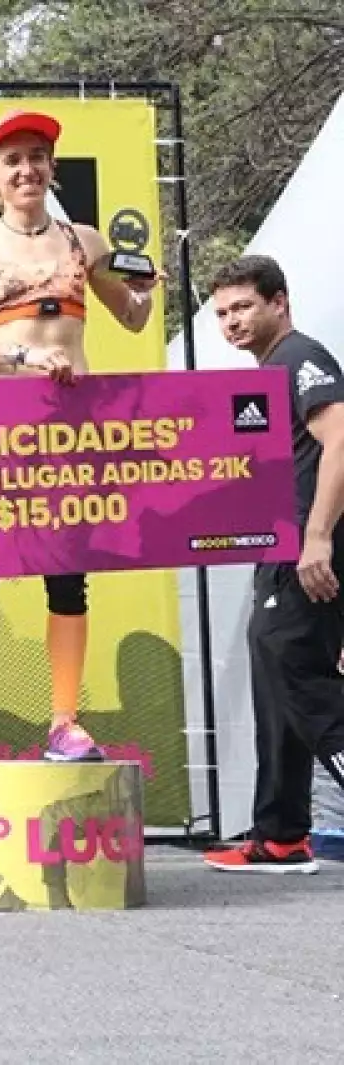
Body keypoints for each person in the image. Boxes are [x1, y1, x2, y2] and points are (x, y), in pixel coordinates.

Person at [0, 109, 161, 763]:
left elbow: (132, 317)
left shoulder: (83, 241)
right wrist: (21, 357)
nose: (26, 169)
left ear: (52, 168)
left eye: (36, 156)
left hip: (72, 432)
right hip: (1, 429)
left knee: (67, 574)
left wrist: (146, 292)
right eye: (13, 160)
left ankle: (65, 722)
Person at [203, 254, 344, 874]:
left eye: (243, 307)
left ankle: (282, 831)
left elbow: (342, 439)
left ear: (279, 302)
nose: (231, 322)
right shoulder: (267, 372)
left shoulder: (300, 357)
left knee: (299, 675)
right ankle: (281, 836)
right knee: (276, 678)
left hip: (310, 554)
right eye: (222, 313)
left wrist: (317, 535)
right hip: (281, 551)